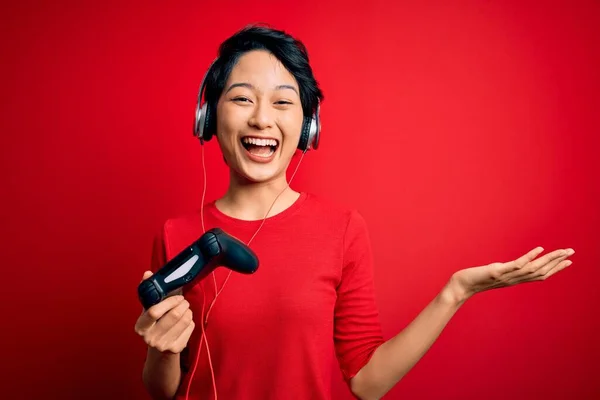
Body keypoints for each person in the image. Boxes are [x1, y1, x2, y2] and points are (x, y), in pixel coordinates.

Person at [134, 24, 575, 400]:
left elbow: (368, 382)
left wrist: (455, 292)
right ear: (208, 117)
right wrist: (162, 348)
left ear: (308, 125)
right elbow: (165, 390)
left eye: (283, 102)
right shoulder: (176, 234)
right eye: (242, 99)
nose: (262, 119)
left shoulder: (341, 229)